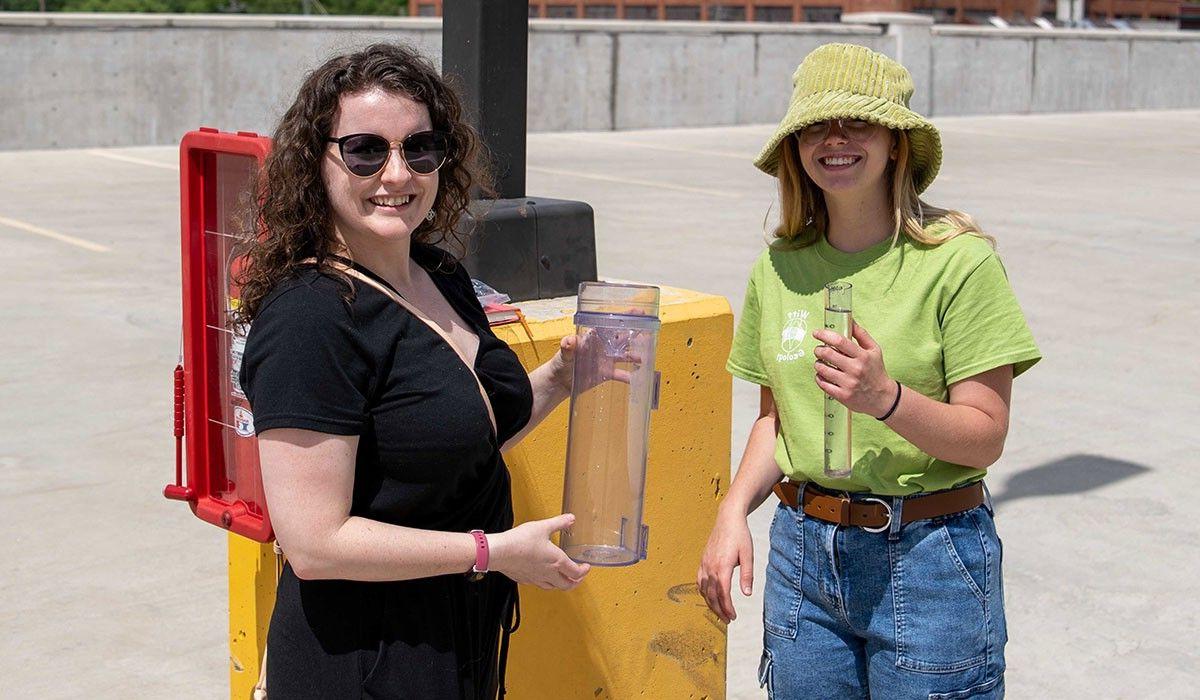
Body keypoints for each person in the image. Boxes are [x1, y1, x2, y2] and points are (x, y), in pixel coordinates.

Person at [233, 43, 590, 699]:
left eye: (419, 148)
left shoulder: (443, 276)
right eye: (366, 150)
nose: (397, 173)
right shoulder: (311, 319)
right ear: (318, 162)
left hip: (456, 645)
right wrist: (493, 552)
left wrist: (562, 380)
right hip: (363, 663)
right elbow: (315, 544)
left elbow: (454, 444)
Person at [697, 43, 1041, 699]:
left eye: (857, 122)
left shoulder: (958, 264)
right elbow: (776, 422)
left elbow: (984, 435)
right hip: (803, 556)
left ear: (896, 143)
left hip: (930, 557)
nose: (835, 139)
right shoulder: (778, 270)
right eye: (816, 125)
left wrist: (886, 399)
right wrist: (732, 511)